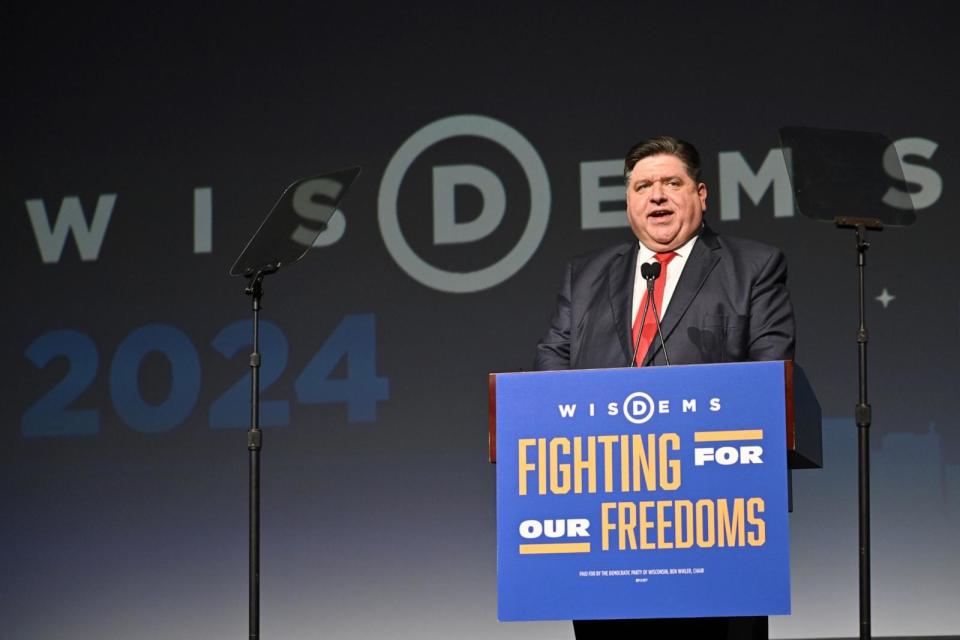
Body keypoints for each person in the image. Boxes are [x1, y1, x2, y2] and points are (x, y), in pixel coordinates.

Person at [533, 136, 795, 639]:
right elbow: (552, 358)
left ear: (701, 194)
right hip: (606, 513)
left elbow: (770, 368)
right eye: (643, 186)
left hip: (716, 518)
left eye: (671, 183)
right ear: (629, 201)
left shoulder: (754, 267)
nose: (657, 196)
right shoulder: (585, 274)